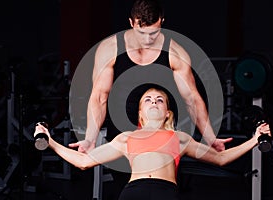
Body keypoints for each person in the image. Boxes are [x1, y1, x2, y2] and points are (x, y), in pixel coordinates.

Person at [35, 87, 271, 200]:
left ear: (167, 113)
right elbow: (84, 162)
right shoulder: (126, 138)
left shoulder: (179, 138)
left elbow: (220, 159)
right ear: (141, 113)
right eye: (147, 99)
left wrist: (254, 139)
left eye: (160, 99)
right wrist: (52, 142)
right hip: (132, 193)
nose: (154, 101)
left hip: (165, 193)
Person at [69, 0, 232, 153]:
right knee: (128, 181)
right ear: (131, 23)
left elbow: (192, 99)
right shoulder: (110, 49)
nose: (147, 40)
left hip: (161, 130)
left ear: (162, 21)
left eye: (153, 33)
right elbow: (99, 97)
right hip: (121, 131)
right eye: (141, 33)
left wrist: (210, 138)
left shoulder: (175, 52)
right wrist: (90, 138)